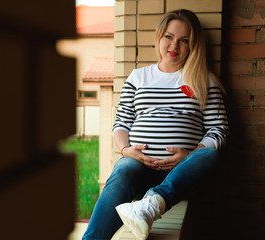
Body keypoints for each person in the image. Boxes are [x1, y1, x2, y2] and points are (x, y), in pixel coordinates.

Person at [82, 9, 228, 240]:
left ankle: (152, 203)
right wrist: (126, 150)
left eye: (183, 40)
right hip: (140, 167)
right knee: (123, 168)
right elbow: (121, 122)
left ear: (193, 45)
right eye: (168, 37)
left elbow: (218, 129)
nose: (174, 45)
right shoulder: (138, 77)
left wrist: (189, 156)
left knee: (209, 155)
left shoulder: (204, 79)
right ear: (159, 37)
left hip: (182, 172)